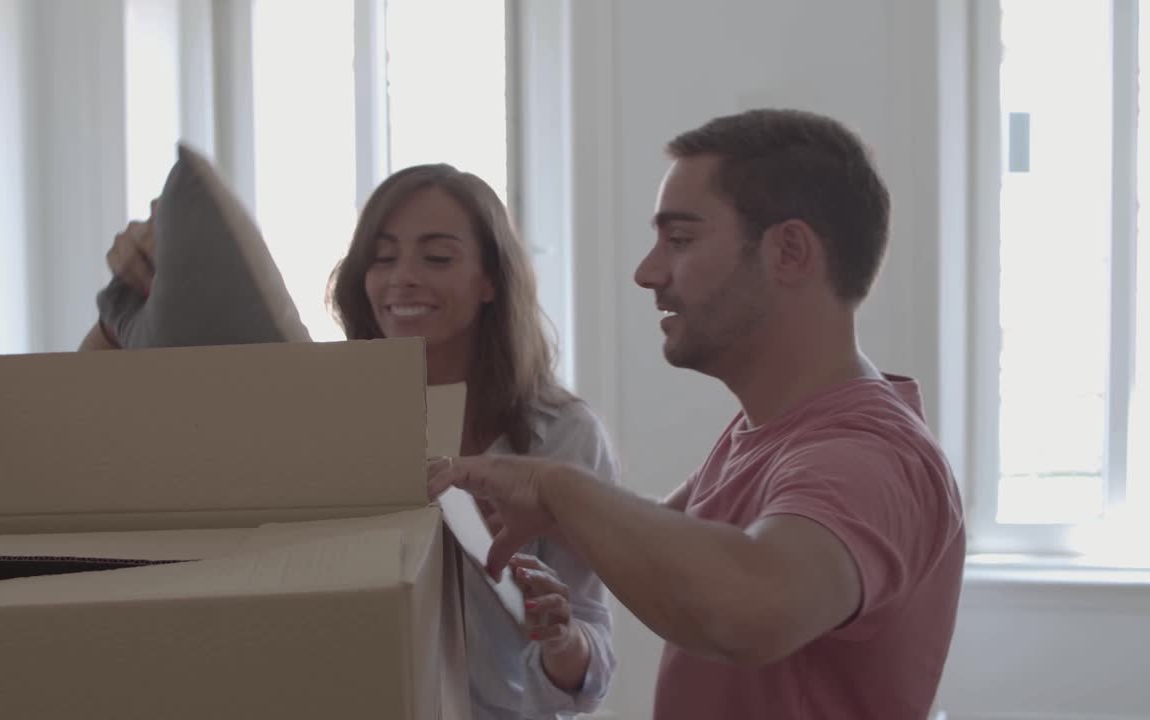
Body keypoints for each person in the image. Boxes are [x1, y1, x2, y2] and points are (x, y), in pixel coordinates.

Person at [429, 109, 966, 720]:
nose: (647, 272)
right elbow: (679, 543)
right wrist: (556, 516)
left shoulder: (867, 456)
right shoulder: (765, 432)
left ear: (789, 252)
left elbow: (753, 607)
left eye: (680, 240)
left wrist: (556, 485)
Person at [87, 164, 618, 720]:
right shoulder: (329, 416)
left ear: (491, 280)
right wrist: (125, 295)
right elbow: (95, 420)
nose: (402, 278)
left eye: (436, 257)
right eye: (382, 258)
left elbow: (590, 664)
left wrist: (562, 641)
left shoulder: (565, 436)